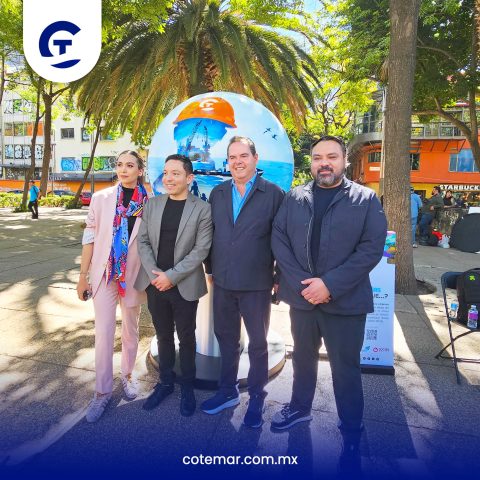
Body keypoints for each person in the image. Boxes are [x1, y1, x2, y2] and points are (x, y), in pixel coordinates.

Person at [270, 136, 386, 463]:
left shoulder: (366, 199)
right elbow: (279, 239)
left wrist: (329, 285)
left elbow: (371, 249)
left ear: (344, 160)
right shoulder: (295, 198)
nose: (324, 163)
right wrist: (303, 284)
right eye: (318, 157)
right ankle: (300, 408)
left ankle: (351, 428)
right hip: (302, 298)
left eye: (332, 157)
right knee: (302, 357)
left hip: (346, 302)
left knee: (345, 368)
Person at [201, 136, 284, 428]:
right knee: (226, 340)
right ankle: (227, 391)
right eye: (232, 157)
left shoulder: (273, 194)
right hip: (222, 282)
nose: (238, 162)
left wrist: (279, 278)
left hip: (257, 283)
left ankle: (257, 398)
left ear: (255, 159)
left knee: (258, 344)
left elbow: (282, 240)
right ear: (227, 162)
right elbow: (211, 234)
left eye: (243, 156)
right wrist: (210, 269)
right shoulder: (219, 193)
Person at [135, 154, 212, 417]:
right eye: (166, 173)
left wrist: (172, 276)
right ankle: (165, 382)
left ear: (189, 178)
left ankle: (187, 387)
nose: (168, 178)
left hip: (184, 285)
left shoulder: (202, 209)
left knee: (187, 338)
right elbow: (143, 241)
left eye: (175, 173)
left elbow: (201, 249)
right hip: (155, 283)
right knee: (163, 335)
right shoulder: (153, 204)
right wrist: (155, 274)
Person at [77, 150, 148, 423]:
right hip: (105, 274)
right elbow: (90, 238)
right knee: (104, 332)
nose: (123, 169)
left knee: (131, 330)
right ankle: (102, 392)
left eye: (130, 165)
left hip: (133, 275)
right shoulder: (101, 198)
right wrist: (83, 275)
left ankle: (127, 375)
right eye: (119, 165)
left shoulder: (149, 201)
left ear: (140, 170)